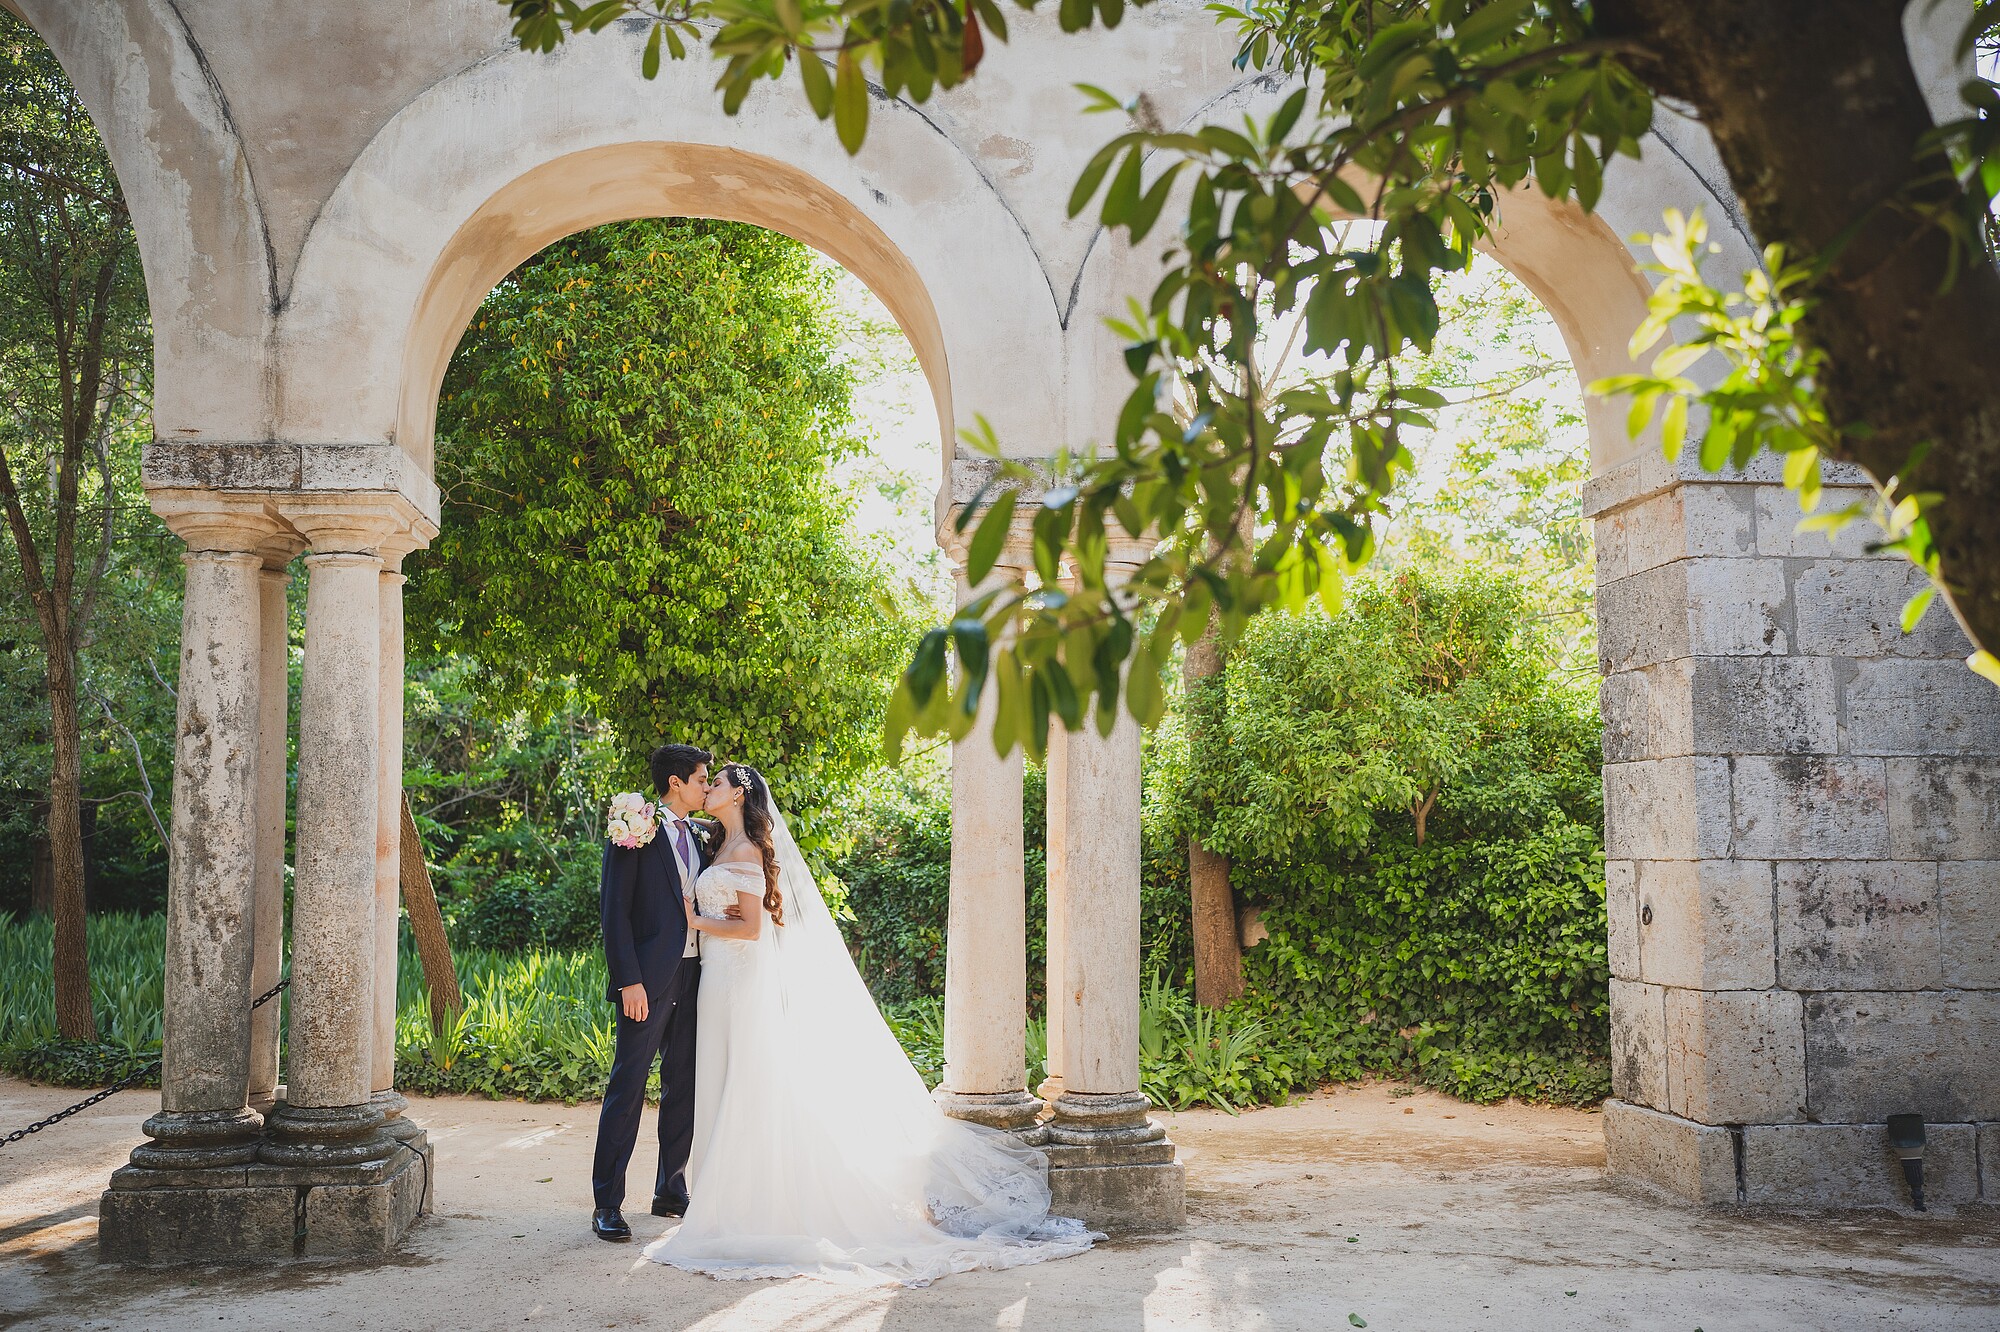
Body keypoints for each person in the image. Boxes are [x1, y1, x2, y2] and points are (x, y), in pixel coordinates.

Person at [643, 762, 1099, 1286]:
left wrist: (691, 918)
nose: (709, 789)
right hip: (716, 983)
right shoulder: (716, 844)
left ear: (739, 795)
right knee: (721, 1087)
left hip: (740, 984)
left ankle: (746, 1210)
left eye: (716, 783)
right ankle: (724, 1203)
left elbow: (748, 928)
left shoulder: (744, 852)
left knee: (747, 1086)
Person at [588, 743, 714, 1242]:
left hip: (696, 975)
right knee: (629, 1087)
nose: (707, 786)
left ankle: (670, 1187)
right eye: (702, 779)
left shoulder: (704, 836)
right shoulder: (633, 827)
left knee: (683, 1085)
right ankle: (607, 1204)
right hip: (646, 981)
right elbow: (613, 911)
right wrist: (628, 981)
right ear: (677, 783)